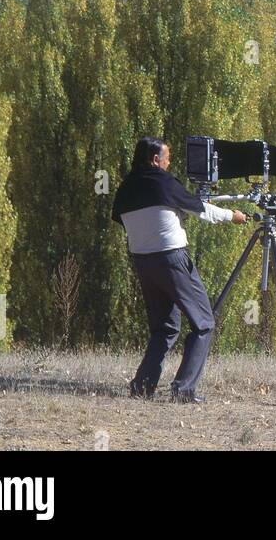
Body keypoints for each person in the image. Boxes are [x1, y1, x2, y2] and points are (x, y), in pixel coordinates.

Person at [111, 137, 248, 403]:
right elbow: (201, 210)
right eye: (167, 158)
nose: (169, 162)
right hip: (172, 260)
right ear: (155, 160)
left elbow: (129, 220)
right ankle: (184, 390)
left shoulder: (125, 188)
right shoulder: (163, 182)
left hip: (142, 261)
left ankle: (142, 386)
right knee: (204, 323)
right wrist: (232, 216)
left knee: (164, 328)